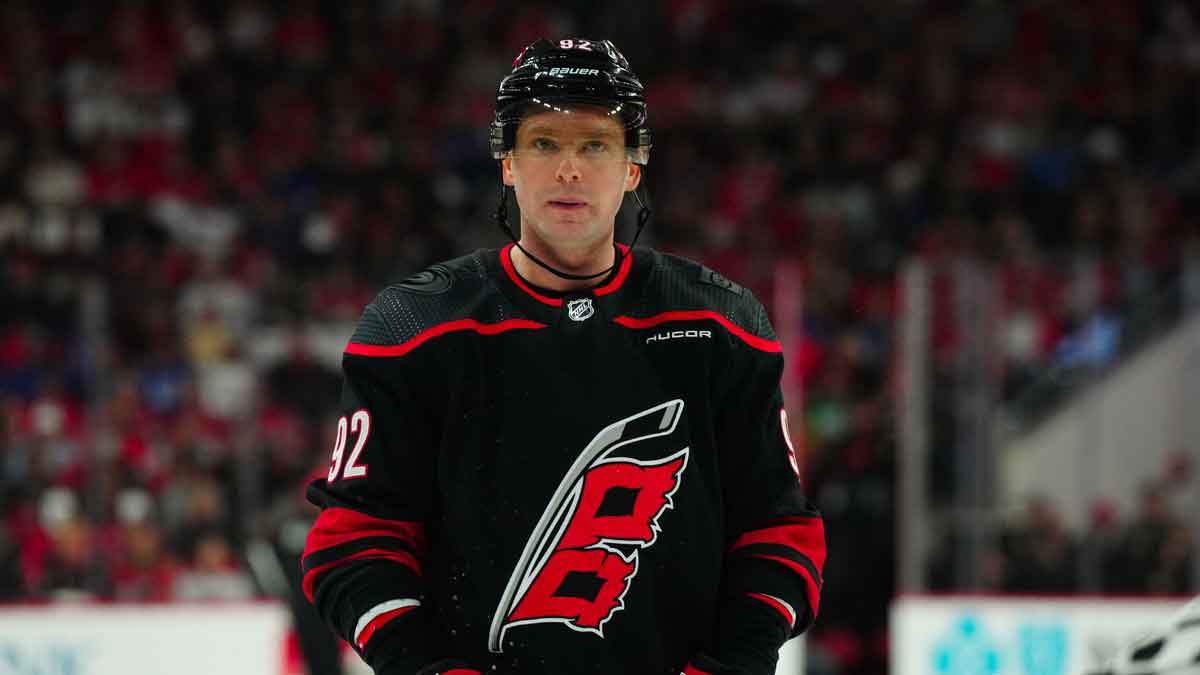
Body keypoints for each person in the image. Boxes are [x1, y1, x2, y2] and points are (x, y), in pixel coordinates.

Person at [301, 38, 826, 675]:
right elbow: (354, 543)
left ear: (633, 166)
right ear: (507, 162)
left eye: (595, 145)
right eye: (544, 143)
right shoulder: (412, 330)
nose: (568, 170)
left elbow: (778, 534)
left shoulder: (720, 325)